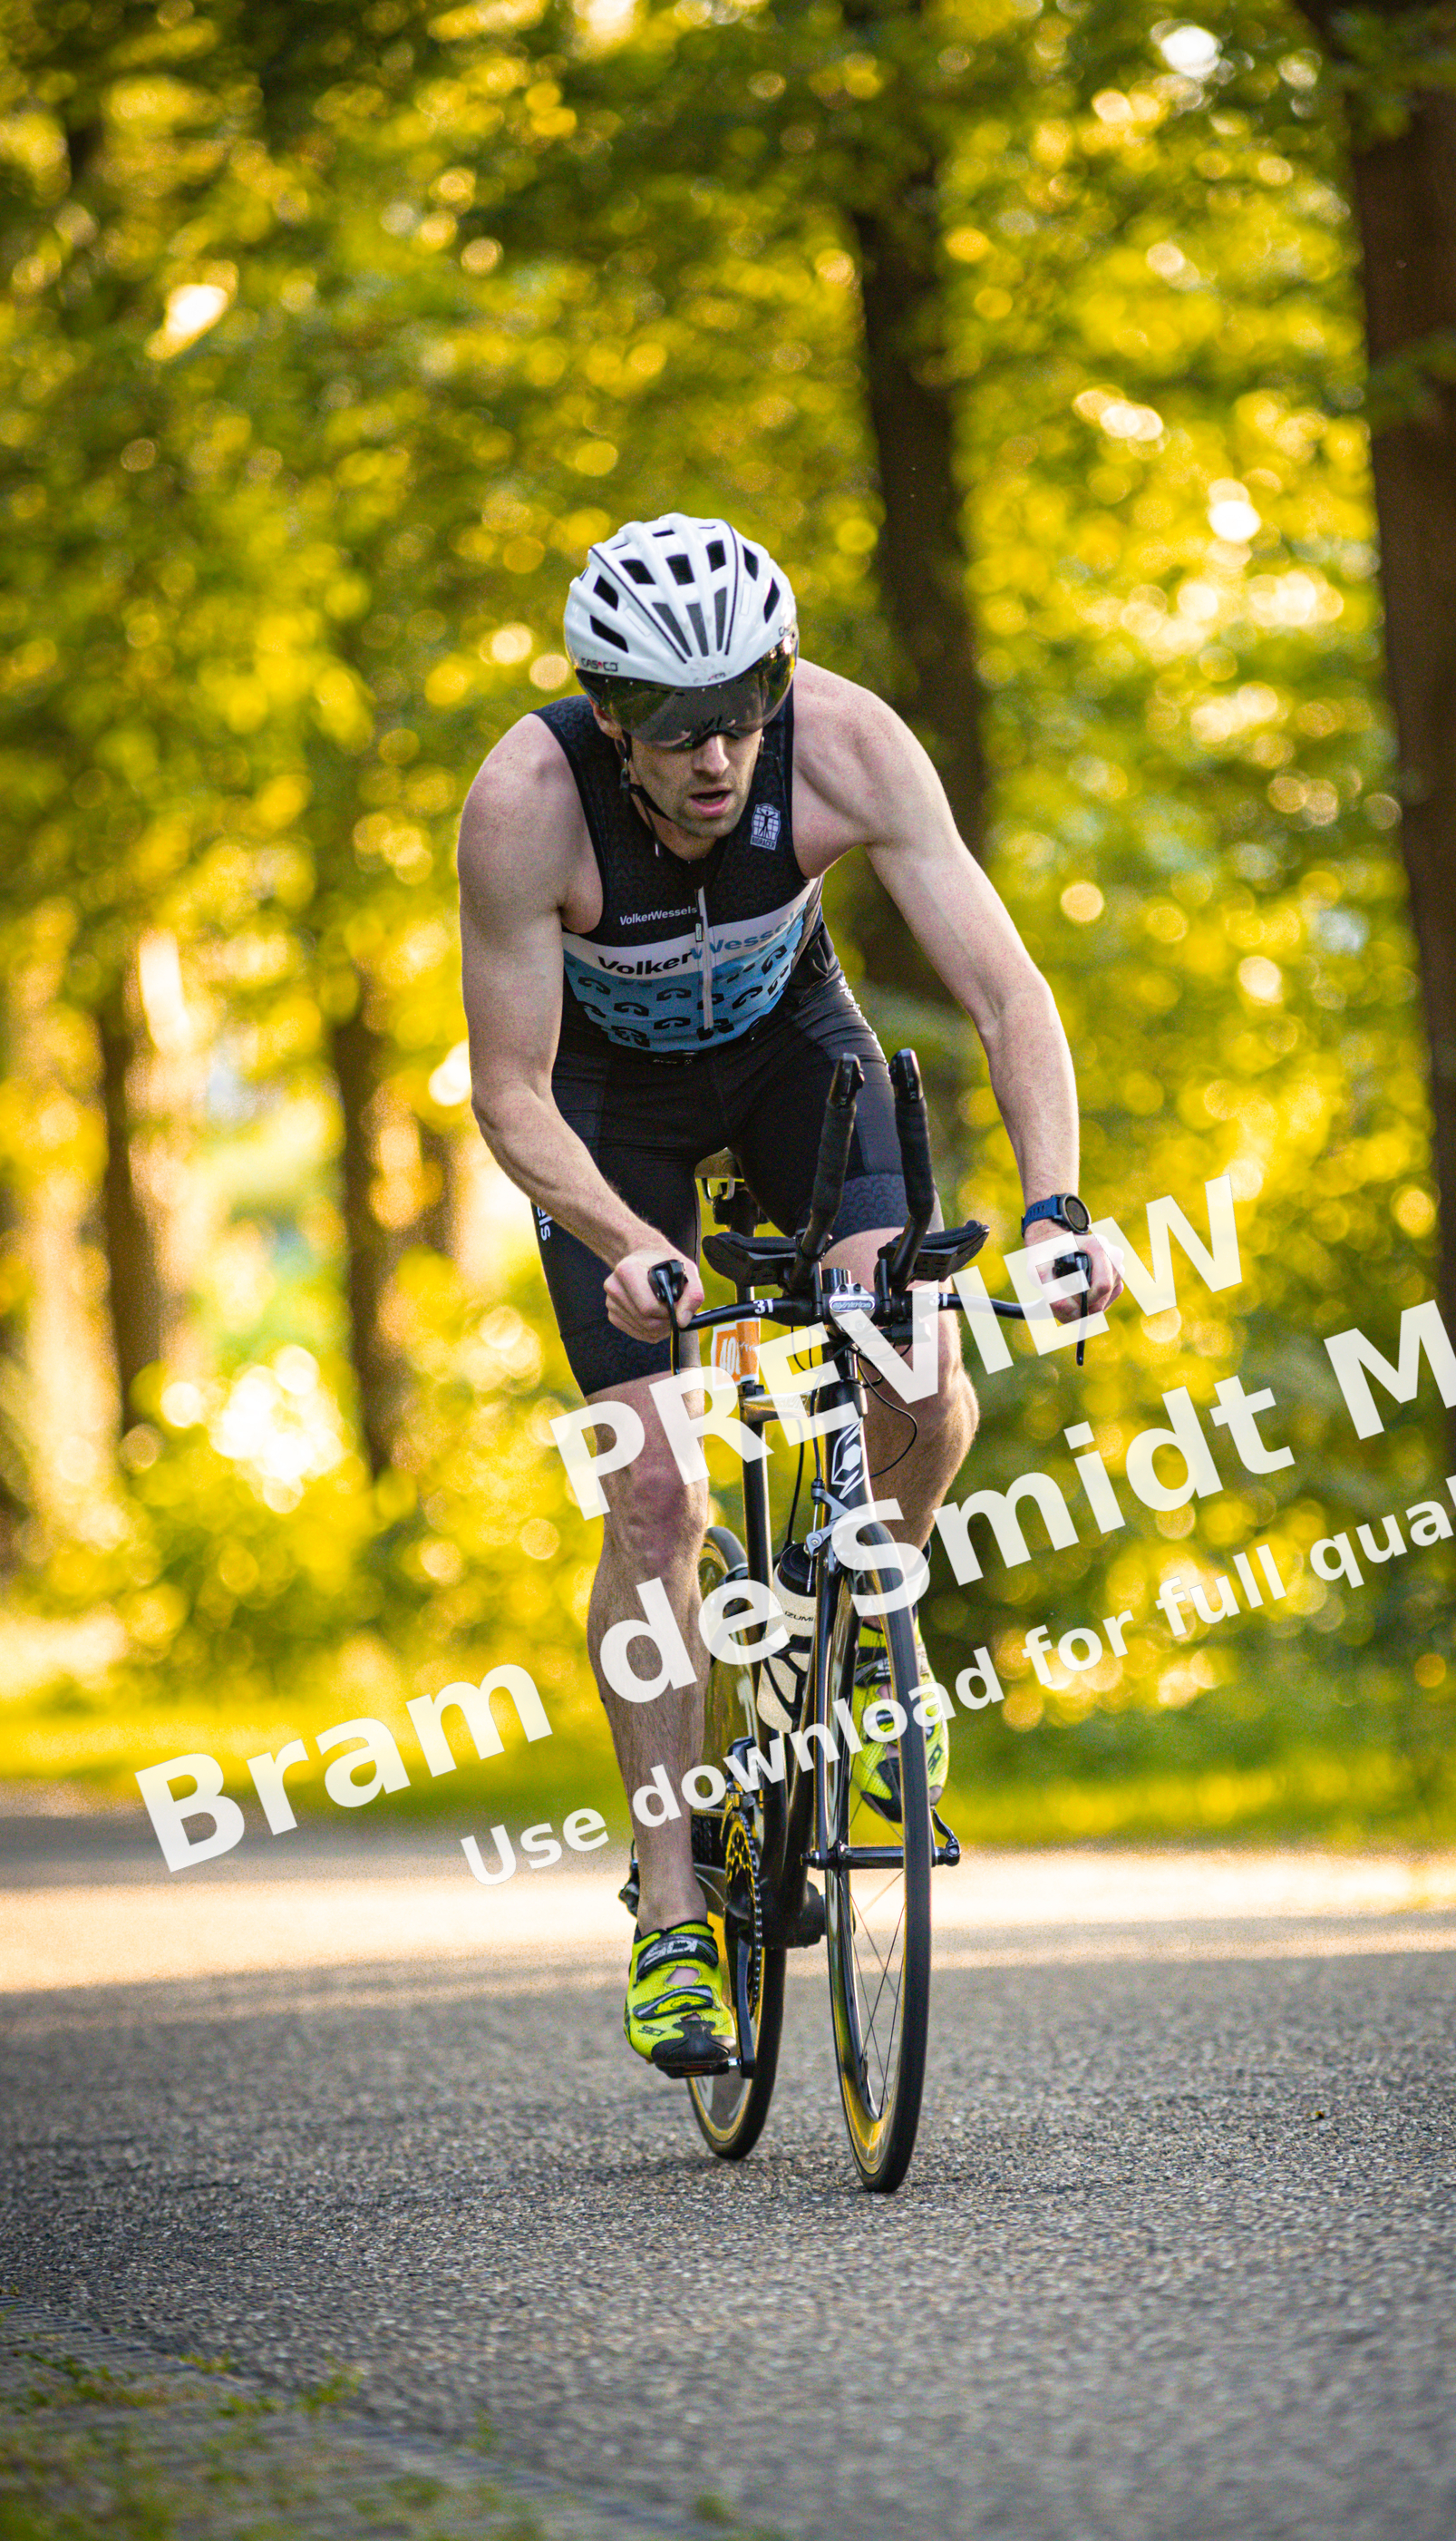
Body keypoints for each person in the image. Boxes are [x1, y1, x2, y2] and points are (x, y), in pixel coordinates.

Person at [458, 511, 1120, 2075]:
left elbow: (1007, 990)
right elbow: (508, 1091)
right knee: (658, 1496)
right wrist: (624, 1240)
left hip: (792, 1065)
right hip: (605, 1118)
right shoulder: (526, 806)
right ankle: (673, 1913)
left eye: (745, 709)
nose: (717, 757)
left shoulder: (849, 745)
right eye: (676, 724)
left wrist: (1058, 1210)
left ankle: (860, 1645)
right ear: (608, 712)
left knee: (924, 1385)